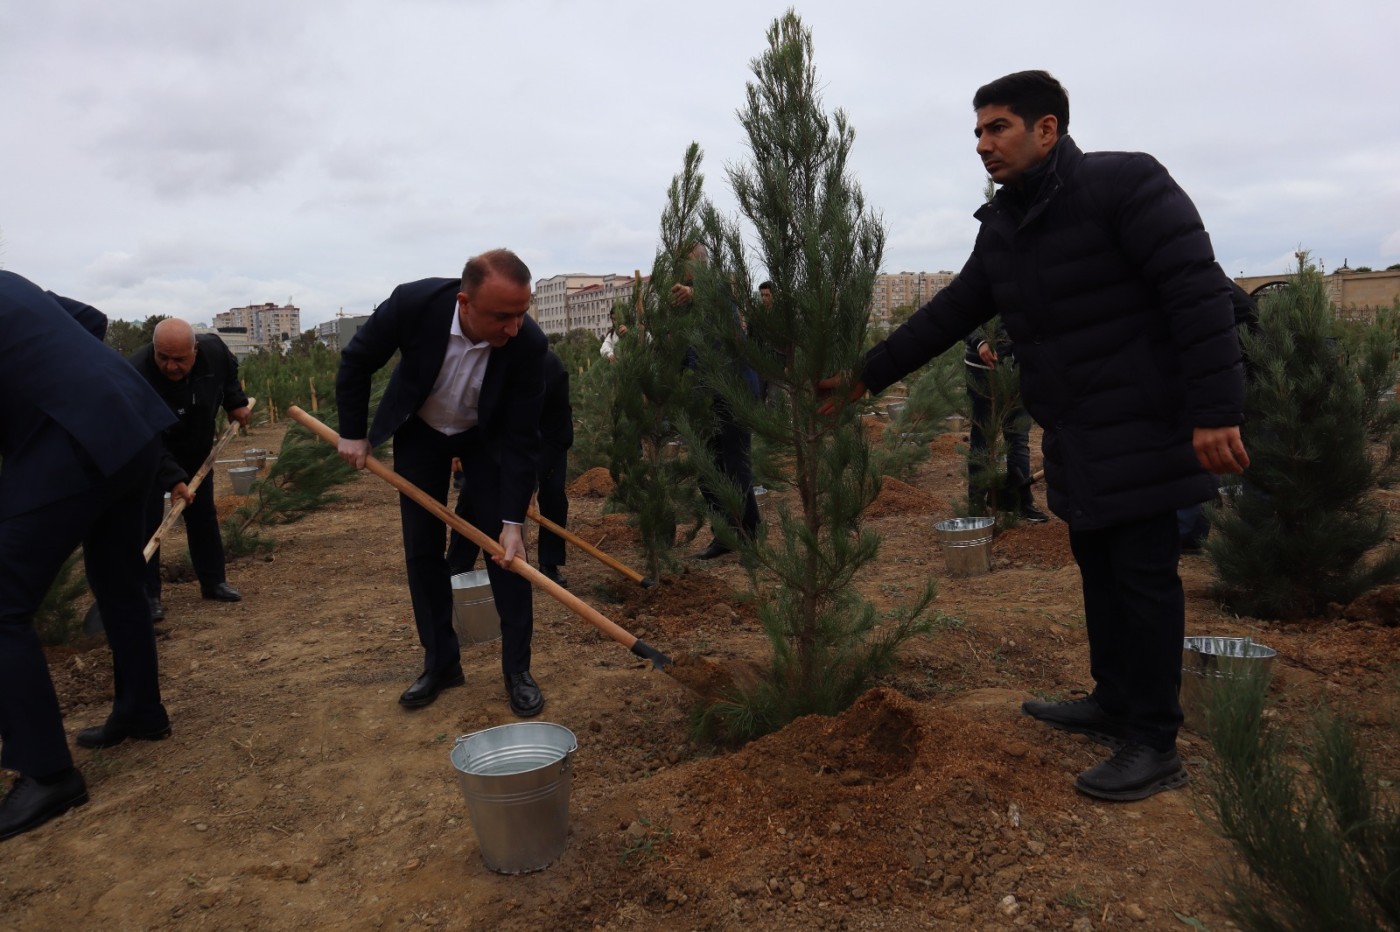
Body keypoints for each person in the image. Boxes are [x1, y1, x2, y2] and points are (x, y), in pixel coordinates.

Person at [823, 71, 1247, 800]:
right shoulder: (1006, 229)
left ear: (1046, 129)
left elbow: (1197, 292)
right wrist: (866, 375)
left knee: (1144, 578)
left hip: (1144, 421)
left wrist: (1215, 409)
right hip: (1079, 428)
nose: (983, 144)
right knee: (1099, 563)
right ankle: (1113, 699)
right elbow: (950, 312)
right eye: (978, 132)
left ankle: (1153, 739)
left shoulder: (1126, 186)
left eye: (998, 128)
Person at [0, 272, 178, 841]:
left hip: (71, 442)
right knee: (119, 579)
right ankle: (141, 711)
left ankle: (47, 772)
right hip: (134, 426)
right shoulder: (7, 282)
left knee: (2, 604)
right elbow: (90, 321)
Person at [336, 249, 547, 716]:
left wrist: (513, 522)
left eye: (522, 314)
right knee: (423, 549)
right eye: (502, 317)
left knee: (507, 554)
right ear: (464, 303)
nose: (513, 328)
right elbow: (356, 360)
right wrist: (353, 431)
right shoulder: (415, 304)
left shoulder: (527, 344)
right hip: (421, 432)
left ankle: (517, 669)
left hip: (484, 438)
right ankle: (441, 663)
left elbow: (521, 437)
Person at [129, 319, 250, 617]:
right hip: (150, 450)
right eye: (163, 357)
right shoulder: (135, 374)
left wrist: (235, 402)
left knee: (203, 514)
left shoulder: (215, 352)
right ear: (154, 350)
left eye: (180, 359)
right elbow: (146, 437)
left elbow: (228, 377)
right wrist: (172, 479)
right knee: (148, 521)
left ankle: (214, 582)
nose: (171, 366)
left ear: (195, 351)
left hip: (196, 442)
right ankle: (148, 595)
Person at [449, 349, 573, 588]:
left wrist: (534, 479)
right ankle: (458, 565)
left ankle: (550, 563)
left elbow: (558, 432)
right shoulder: (493, 372)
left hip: (547, 441)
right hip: (502, 439)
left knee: (554, 494)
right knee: (473, 493)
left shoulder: (552, 371)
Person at [672, 244, 760, 561]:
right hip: (703, 395)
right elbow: (681, 351)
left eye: (686, 260)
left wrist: (696, 295)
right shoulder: (682, 303)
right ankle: (723, 536)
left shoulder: (718, 289)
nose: (681, 267)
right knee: (708, 469)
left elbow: (723, 310)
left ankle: (750, 538)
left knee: (735, 467)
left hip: (733, 391)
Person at [963, 321, 1048, 522]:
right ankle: (976, 504)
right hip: (981, 369)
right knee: (982, 437)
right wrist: (980, 342)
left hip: (1017, 370)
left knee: (1018, 437)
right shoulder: (982, 289)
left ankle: (1022, 501)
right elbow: (961, 317)